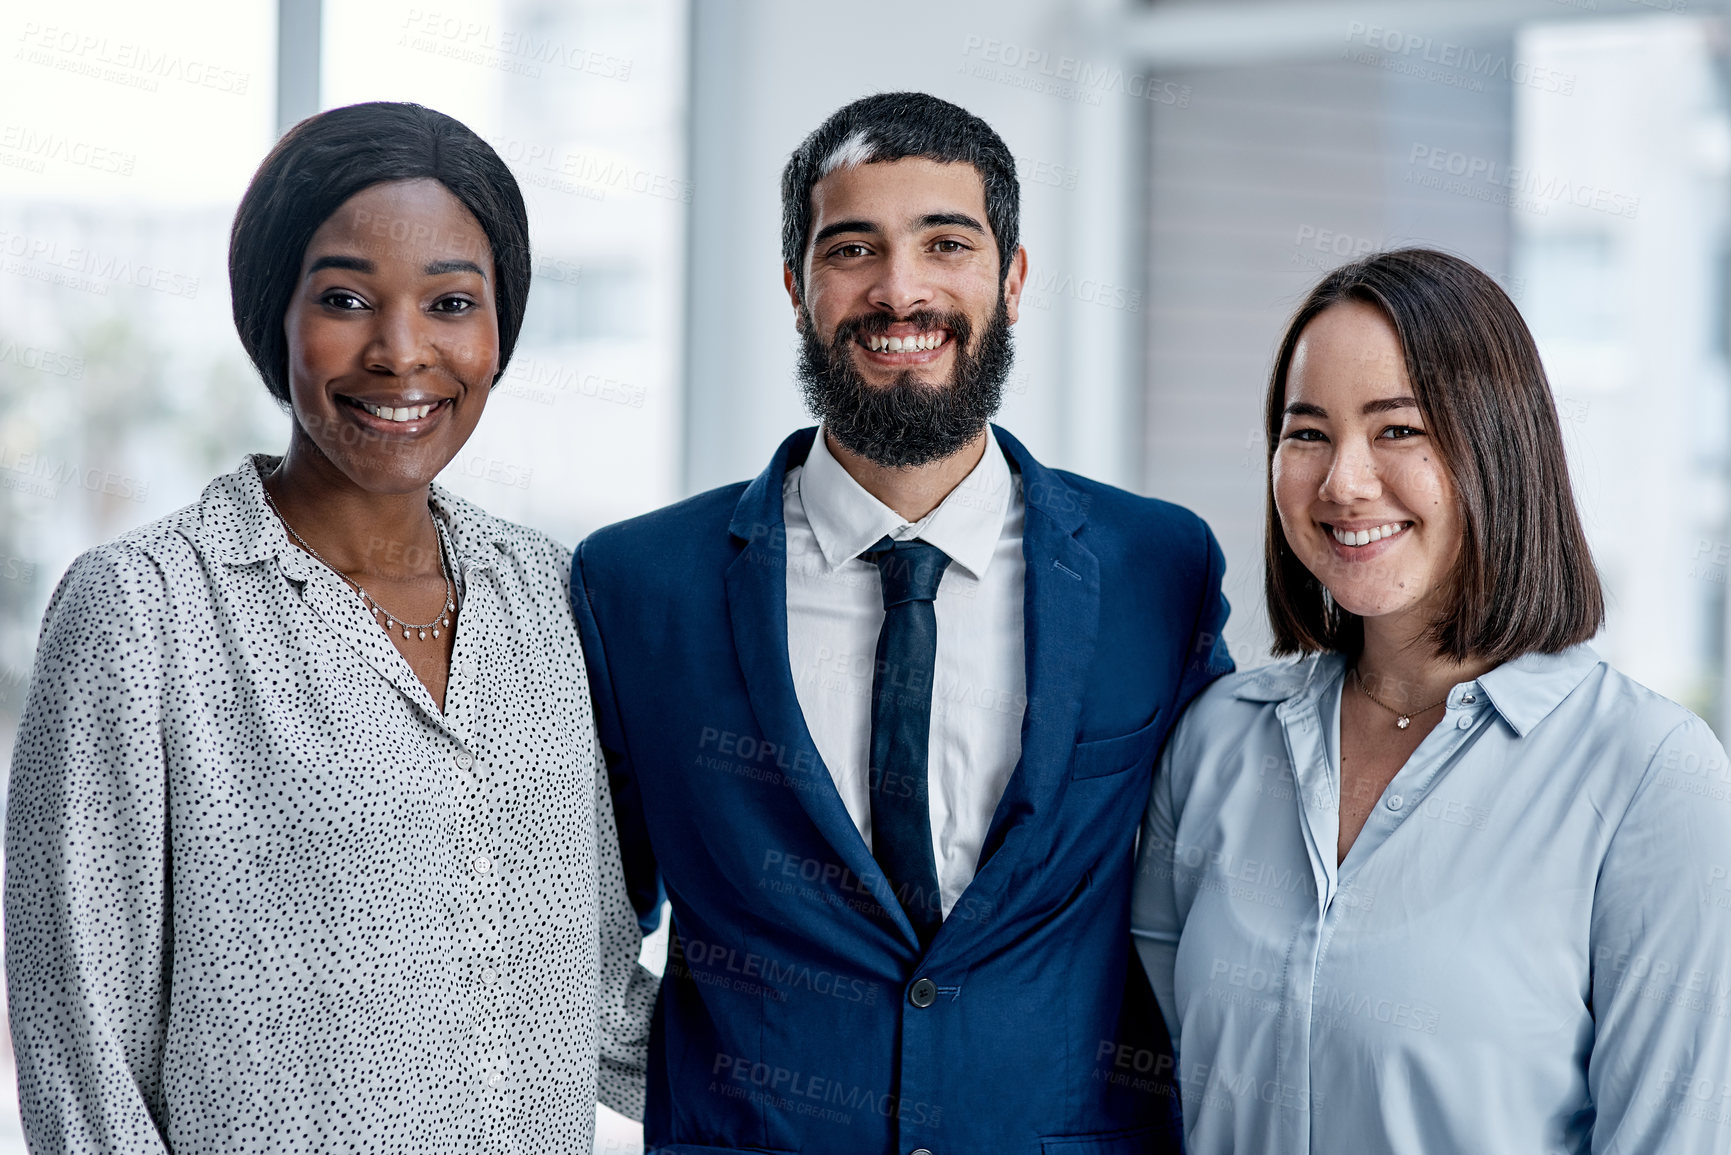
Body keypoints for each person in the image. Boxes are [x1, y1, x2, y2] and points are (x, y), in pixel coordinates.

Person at [571, 91, 1233, 1154]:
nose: (900, 290)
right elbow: (578, 929)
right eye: (853, 248)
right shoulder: (636, 585)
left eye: (946, 243)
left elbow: (1212, 903)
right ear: (796, 287)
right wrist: (713, 1096)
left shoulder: (1160, 566)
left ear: (1012, 280)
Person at [5, 102, 655, 1153]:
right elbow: (82, 1062)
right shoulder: (144, 612)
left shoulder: (547, 594)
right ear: (278, 314)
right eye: (346, 298)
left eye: (450, 302)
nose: (402, 353)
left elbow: (593, 991)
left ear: (500, 330)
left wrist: (856, 1069)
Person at [1131, 247, 1731, 1154]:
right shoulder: (1219, 738)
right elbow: (1158, 1095)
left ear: (1497, 445)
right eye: (1305, 433)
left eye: (1397, 429)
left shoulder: (1651, 776)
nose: (1343, 481)